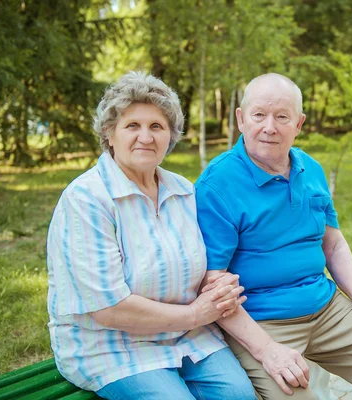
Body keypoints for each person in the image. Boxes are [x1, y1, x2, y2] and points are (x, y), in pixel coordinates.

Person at [195, 73, 352, 400]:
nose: (269, 127)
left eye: (282, 117)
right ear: (240, 119)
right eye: (258, 115)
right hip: (261, 319)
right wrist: (267, 350)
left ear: (299, 123)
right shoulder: (217, 185)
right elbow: (213, 283)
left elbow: (334, 244)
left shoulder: (310, 168)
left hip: (325, 306)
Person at [46, 71, 257, 400]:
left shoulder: (183, 191)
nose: (145, 136)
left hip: (187, 337)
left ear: (170, 136)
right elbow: (109, 309)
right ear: (109, 133)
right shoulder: (87, 200)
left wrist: (220, 288)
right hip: (110, 343)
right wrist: (195, 314)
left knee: (241, 396)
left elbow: (205, 266)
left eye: (156, 126)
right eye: (132, 126)